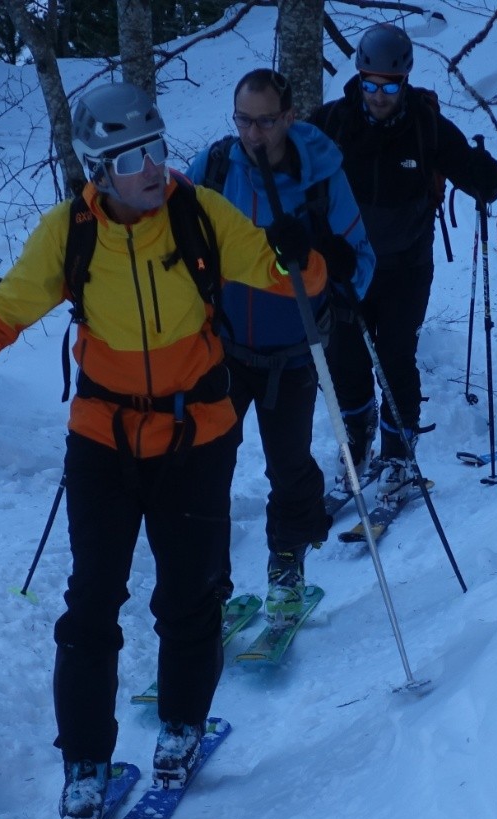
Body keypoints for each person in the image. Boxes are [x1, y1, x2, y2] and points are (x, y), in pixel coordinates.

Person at [0, 82, 326, 819]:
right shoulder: (71, 234)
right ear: (98, 169)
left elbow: (283, 271)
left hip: (197, 434)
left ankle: (182, 723)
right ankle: (85, 761)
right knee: (92, 601)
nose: (154, 168)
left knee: (191, 594)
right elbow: (5, 312)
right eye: (132, 157)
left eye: (157, 148)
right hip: (104, 438)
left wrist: (306, 253)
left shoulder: (196, 213)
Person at [186, 68, 375, 619]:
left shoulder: (320, 177)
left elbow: (360, 258)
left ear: (288, 118)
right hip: (223, 349)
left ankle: (287, 571)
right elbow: (178, 236)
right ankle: (210, 587)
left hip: (293, 352)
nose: (253, 133)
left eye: (266, 121)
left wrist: (330, 271)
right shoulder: (217, 168)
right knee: (206, 469)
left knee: (288, 465)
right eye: (243, 119)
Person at [309, 23, 497, 499]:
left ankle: (399, 455)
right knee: (345, 359)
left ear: (406, 80)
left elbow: (476, 173)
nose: (379, 95)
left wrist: (485, 177)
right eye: (371, 84)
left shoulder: (425, 124)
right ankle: (357, 443)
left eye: (389, 86)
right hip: (347, 268)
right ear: (359, 76)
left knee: (395, 356)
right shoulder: (331, 124)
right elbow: (291, 169)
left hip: (406, 266)